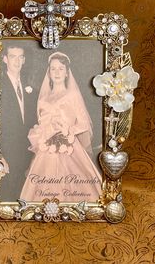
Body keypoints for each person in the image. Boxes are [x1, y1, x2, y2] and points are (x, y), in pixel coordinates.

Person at [20, 52, 102, 202]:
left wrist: (68, 130)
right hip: (47, 149)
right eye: (53, 69)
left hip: (69, 146)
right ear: (49, 72)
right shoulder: (43, 98)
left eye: (61, 69)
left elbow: (84, 123)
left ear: (67, 73)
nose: (57, 72)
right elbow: (41, 122)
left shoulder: (73, 95)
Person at [0, 46, 37, 201]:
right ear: (5, 59)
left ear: (24, 60)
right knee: (8, 197)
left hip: (25, 152)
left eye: (20, 57)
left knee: (23, 196)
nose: (17, 60)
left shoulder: (29, 88)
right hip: (6, 153)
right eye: (13, 56)